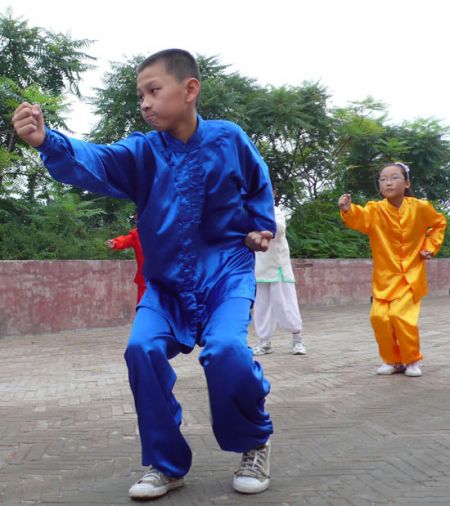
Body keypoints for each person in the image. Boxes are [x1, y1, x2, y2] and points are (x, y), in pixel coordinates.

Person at [13, 49, 276, 499]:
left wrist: (261, 226)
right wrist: (47, 141)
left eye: (154, 91)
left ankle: (254, 443)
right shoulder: (141, 151)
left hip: (225, 273)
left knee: (227, 350)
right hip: (167, 281)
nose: (146, 103)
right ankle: (166, 462)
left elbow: (257, 186)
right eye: (140, 96)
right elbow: (95, 160)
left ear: (190, 89)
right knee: (140, 349)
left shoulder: (229, 139)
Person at [338, 162, 446, 377]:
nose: (388, 182)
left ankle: (412, 359)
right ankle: (393, 360)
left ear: (407, 183)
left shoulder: (420, 208)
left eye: (394, 177)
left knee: (400, 316)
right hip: (385, 277)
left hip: (411, 275)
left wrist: (429, 247)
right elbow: (360, 219)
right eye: (383, 179)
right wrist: (348, 209)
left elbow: (439, 223)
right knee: (379, 318)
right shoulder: (375, 210)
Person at [253, 203, 306, 356]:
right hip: (260, 270)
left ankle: (297, 339)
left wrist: (261, 228)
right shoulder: (251, 211)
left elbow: (279, 229)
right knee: (261, 308)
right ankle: (264, 342)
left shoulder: (275, 211)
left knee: (286, 305)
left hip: (278, 269)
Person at [106, 217, 146, 304]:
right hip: (144, 280)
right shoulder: (136, 235)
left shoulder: (163, 233)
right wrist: (115, 243)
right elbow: (125, 240)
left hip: (162, 279)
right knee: (142, 306)